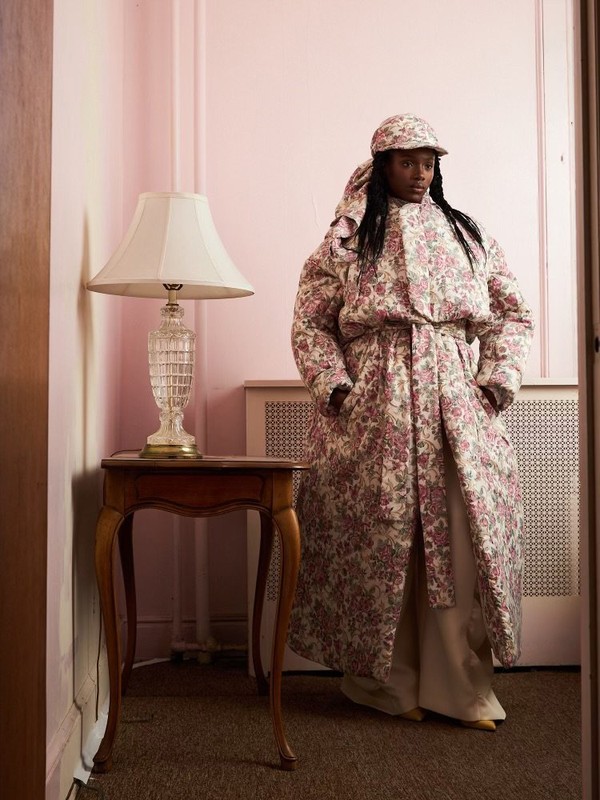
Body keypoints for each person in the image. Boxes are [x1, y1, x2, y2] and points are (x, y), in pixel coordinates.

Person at [288, 114, 534, 730]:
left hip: (458, 403)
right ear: (382, 166)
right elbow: (311, 320)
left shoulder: (466, 233)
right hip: (378, 402)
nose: (420, 173)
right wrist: (335, 386)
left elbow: (511, 312)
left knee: (459, 536)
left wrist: (497, 379)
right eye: (407, 162)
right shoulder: (348, 240)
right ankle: (384, 683)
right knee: (383, 538)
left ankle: (461, 687)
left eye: (429, 162)